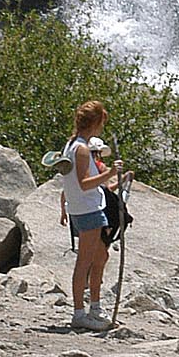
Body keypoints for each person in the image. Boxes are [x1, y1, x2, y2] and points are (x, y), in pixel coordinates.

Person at [62, 100, 120, 331]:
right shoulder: (83, 149)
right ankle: (79, 313)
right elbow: (85, 183)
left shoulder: (71, 145)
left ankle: (95, 307)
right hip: (88, 209)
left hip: (81, 208)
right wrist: (111, 174)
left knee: (100, 257)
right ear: (95, 123)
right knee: (84, 262)